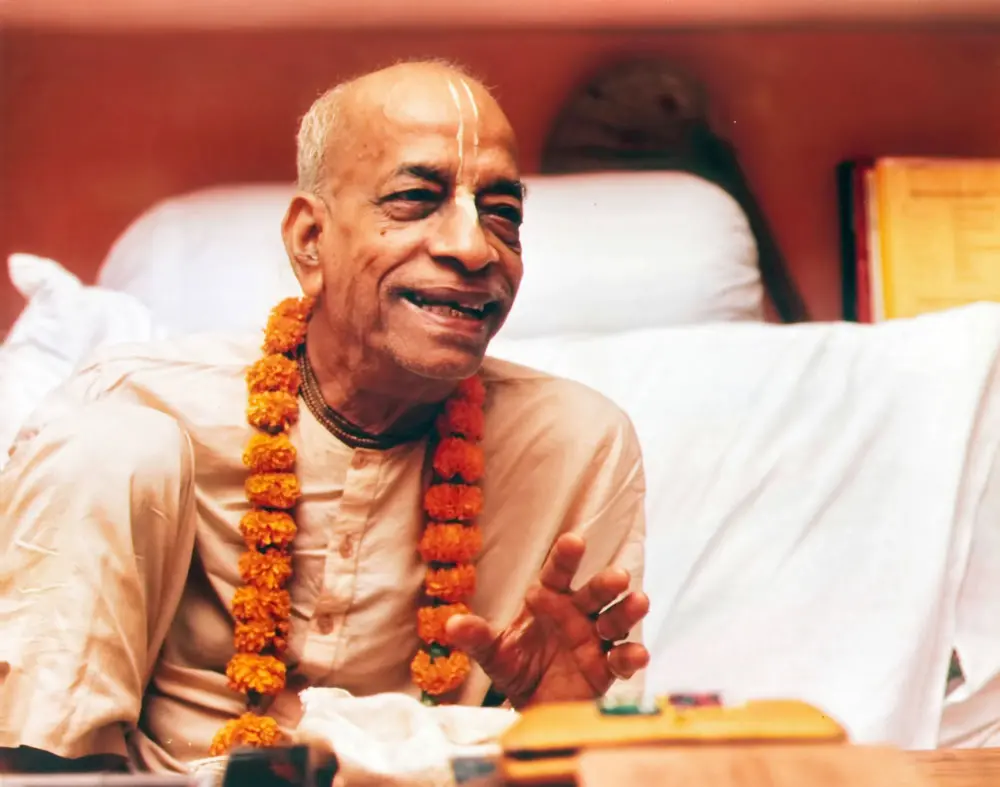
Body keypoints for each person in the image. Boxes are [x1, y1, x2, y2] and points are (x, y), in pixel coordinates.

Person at [0, 60, 648, 774]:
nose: (474, 247)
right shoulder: (131, 413)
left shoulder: (576, 447)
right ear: (311, 240)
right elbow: (34, 744)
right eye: (415, 198)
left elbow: (589, 761)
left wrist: (559, 723)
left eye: (503, 214)